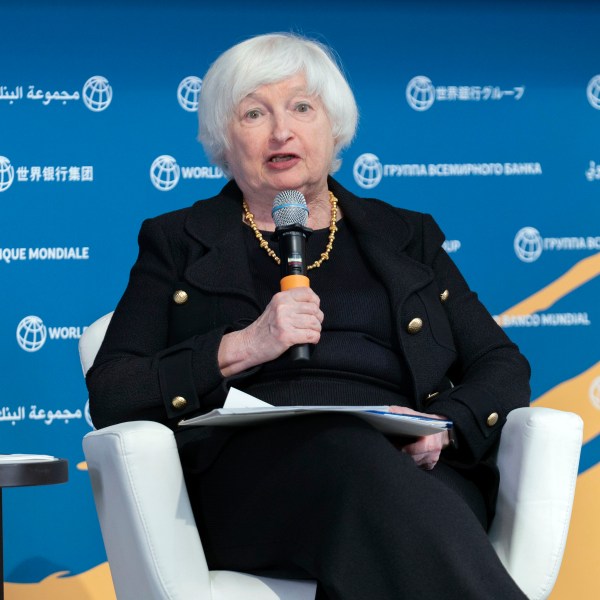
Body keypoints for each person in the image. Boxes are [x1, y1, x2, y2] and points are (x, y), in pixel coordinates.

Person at [87, 33, 530, 599]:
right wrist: (245, 345)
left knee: (372, 471)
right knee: (344, 450)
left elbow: (501, 365)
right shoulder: (177, 241)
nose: (280, 131)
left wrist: (442, 427)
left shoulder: (406, 236)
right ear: (225, 140)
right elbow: (113, 391)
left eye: (301, 107)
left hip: (411, 469)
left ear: (333, 126)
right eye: (253, 113)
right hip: (256, 485)